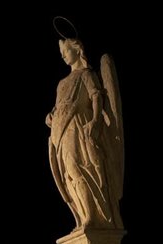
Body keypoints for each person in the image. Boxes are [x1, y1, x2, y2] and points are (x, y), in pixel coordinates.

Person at [45, 38, 123, 230]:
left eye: (66, 50)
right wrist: (51, 117)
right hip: (61, 133)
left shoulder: (86, 74)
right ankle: (82, 215)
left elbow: (96, 97)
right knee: (67, 176)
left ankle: (92, 216)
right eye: (61, 52)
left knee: (77, 168)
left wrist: (95, 121)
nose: (63, 55)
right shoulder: (62, 83)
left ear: (77, 50)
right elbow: (58, 108)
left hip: (78, 128)